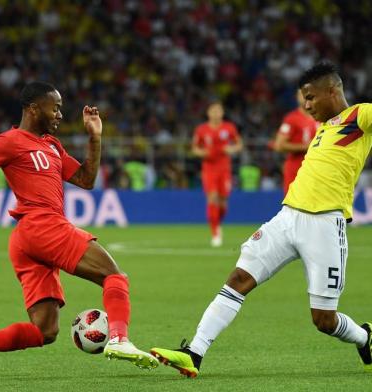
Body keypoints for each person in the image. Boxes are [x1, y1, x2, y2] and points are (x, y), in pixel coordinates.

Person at [151, 62, 372, 377]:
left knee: (324, 319)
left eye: (310, 97)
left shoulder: (359, 116)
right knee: (238, 279)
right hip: (287, 217)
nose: (306, 105)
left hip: (325, 225)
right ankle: (193, 353)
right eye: (303, 99)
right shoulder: (325, 127)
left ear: (332, 90)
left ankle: (365, 338)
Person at [0, 82, 158, 370]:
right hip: (41, 225)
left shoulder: (52, 145)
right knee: (115, 276)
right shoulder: (6, 141)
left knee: (45, 331)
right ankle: (118, 338)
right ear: (33, 108)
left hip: (30, 239)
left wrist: (95, 138)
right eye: (56, 107)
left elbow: (86, 180)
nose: (60, 114)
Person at [192, 102, 242, 247]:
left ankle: (217, 223)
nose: (215, 113)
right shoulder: (201, 129)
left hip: (224, 168)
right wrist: (202, 152)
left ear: (222, 113)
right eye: (213, 111)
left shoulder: (229, 127)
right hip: (209, 168)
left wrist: (232, 149)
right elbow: (195, 148)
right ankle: (215, 233)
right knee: (212, 197)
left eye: (218, 111)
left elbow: (239, 144)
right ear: (208, 113)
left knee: (223, 201)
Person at [273, 89, 318, 194]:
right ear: (297, 98)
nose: (305, 97)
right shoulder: (291, 119)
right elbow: (279, 145)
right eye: (301, 95)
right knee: (293, 207)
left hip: (316, 170)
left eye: (308, 95)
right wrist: (306, 147)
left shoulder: (320, 117)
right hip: (296, 169)